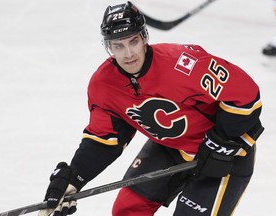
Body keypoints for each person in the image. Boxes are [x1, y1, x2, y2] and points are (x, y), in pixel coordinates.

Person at [38, 1, 264, 216]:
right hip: (170, 148)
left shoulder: (183, 64)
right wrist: (74, 178)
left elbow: (246, 96)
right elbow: (104, 139)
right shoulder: (103, 85)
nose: (128, 54)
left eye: (133, 41)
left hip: (223, 152)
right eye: (118, 45)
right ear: (108, 47)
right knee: (127, 209)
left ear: (144, 37)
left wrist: (220, 140)